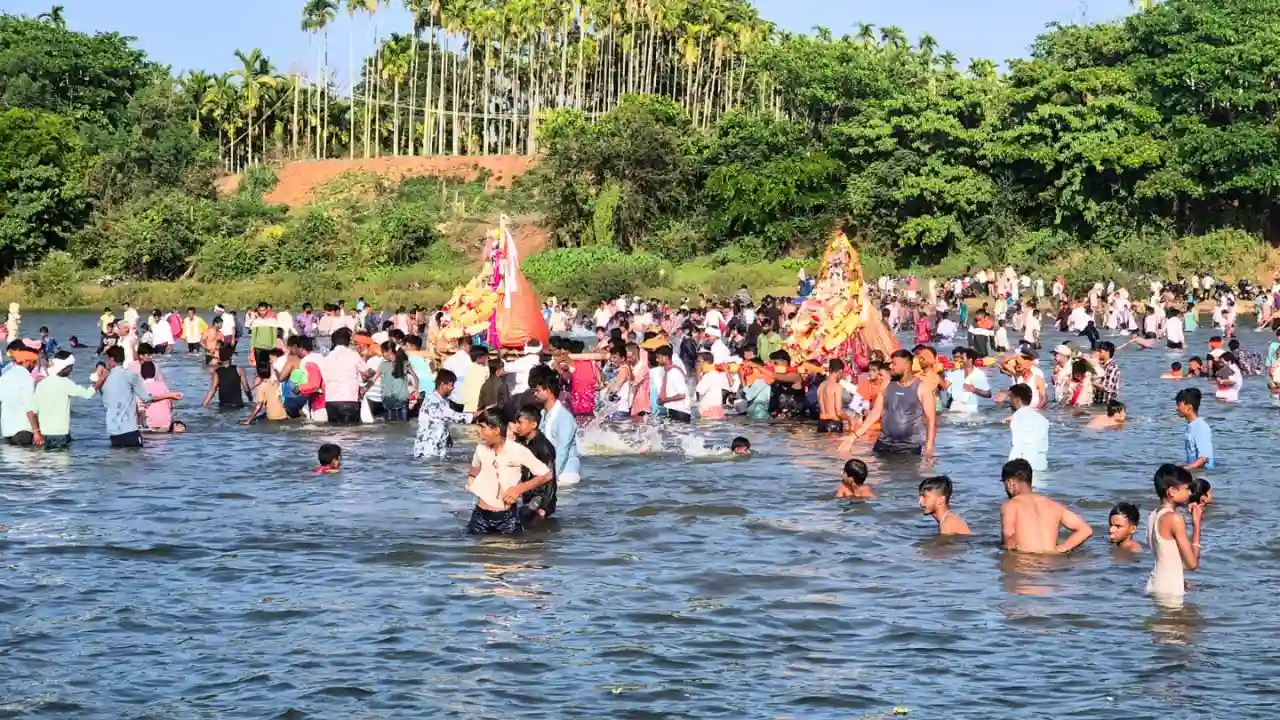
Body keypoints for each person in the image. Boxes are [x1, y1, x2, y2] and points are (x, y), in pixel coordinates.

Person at [465, 409, 553, 535]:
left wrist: (519, 489)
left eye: (482, 427)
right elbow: (474, 470)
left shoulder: (517, 450)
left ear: (496, 430)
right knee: (477, 553)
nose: (477, 431)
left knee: (509, 554)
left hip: (506, 519)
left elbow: (546, 474)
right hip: (480, 516)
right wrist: (471, 482)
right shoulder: (480, 449)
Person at [851, 350, 937, 456]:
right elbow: (876, 412)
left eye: (894, 363)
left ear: (906, 365)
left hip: (909, 447)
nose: (891, 366)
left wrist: (929, 450)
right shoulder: (887, 384)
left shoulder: (922, 387)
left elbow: (931, 421)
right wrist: (854, 436)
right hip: (883, 443)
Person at [999, 458, 1093, 553]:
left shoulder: (1010, 505)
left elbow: (1009, 533)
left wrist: (1010, 555)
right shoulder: (1053, 505)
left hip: (1026, 563)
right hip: (1051, 565)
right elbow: (1085, 530)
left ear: (1010, 483)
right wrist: (1060, 549)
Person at [95, 345, 181, 448]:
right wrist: (169, 395)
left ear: (112, 359)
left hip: (113, 432)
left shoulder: (103, 380)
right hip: (130, 430)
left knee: (116, 461)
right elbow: (146, 398)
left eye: (107, 359)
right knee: (135, 461)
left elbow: (95, 393)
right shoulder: (131, 376)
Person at [1147, 463, 1202, 599]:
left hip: (1155, 584)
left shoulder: (1153, 515)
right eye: (1187, 488)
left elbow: (1167, 556)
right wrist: (1197, 524)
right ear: (1172, 492)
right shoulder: (1174, 519)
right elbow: (1192, 563)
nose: (1190, 493)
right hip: (1170, 590)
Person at [28, 352, 94, 449]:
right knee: (61, 462)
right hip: (60, 434)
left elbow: (30, 411)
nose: (72, 370)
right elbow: (88, 394)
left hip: (44, 433)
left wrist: (36, 432)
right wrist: (100, 380)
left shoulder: (42, 384)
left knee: (47, 462)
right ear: (66, 368)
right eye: (71, 367)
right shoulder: (65, 383)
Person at [531, 365, 582, 485]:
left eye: (537, 390)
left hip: (566, 474)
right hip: (548, 472)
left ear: (548, 391)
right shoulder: (543, 414)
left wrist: (551, 477)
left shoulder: (564, 417)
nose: (534, 394)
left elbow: (562, 450)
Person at [413, 369, 475, 459]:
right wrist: (476, 415)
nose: (453, 388)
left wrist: (447, 437)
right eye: (451, 385)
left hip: (436, 449)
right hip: (427, 451)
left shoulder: (443, 400)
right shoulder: (433, 400)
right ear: (442, 384)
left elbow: (441, 420)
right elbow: (455, 417)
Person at [512, 405, 558, 525]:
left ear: (533, 424)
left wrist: (545, 507)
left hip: (541, 498)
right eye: (515, 422)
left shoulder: (544, 447)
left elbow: (550, 478)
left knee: (524, 523)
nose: (517, 426)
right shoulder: (523, 441)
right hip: (529, 495)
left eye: (520, 423)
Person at [321, 327, 370, 424]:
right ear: (348, 341)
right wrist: (367, 356)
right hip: (349, 399)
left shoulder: (327, 357)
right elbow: (367, 373)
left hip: (330, 401)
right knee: (350, 434)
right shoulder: (353, 355)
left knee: (333, 433)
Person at [0, 341, 40, 445]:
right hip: (23, 430)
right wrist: (36, 431)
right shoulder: (27, 378)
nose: (34, 366)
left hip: (7, 429)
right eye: (33, 362)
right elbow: (29, 408)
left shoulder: (6, 374)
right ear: (26, 361)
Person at [1007, 383, 1049, 471]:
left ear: (1017, 399)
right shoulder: (1043, 419)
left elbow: (1017, 444)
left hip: (1022, 467)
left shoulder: (1016, 417)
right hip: (1041, 465)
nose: (1009, 401)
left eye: (1011, 398)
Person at [942, 347, 991, 413]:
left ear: (970, 360)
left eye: (962, 358)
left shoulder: (979, 374)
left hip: (970, 411)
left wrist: (975, 390)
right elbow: (944, 386)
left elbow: (988, 394)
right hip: (954, 410)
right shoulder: (953, 372)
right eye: (956, 357)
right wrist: (937, 373)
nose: (959, 360)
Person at [202, 345, 250, 410]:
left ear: (220, 358)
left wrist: (204, 404)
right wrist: (250, 398)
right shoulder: (239, 370)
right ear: (230, 357)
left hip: (223, 406)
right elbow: (246, 387)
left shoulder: (216, 372)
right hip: (237, 405)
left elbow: (213, 390)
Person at [1177, 387, 1214, 470]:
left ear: (1189, 407)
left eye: (1178, 405)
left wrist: (1183, 470)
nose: (1177, 408)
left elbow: (1203, 459)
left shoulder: (1201, 427)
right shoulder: (1191, 426)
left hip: (1201, 476)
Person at [653, 344, 692, 423]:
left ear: (666, 358)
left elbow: (682, 395)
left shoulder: (674, 372)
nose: (656, 360)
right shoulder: (667, 371)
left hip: (680, 412)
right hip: (673, 411)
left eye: (658, 357)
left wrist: (665, 400)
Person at [140, 361, 182, 432]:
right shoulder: (163, 386)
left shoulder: (141, 388)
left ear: (141, 374)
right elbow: (170, 407)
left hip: (150, 425)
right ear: (155, 373)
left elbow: (141, 410)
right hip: (166, 423)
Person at [379, 341, 415, 422]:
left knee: (392, 427)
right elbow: (415, 379)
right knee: (401, 427)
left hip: (398, 401)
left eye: (383, 352)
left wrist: (414, 395)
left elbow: (415, 379)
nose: (382, 354)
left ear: (390, 351)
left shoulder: (404, 363)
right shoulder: (384, 365)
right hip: (390, 401)